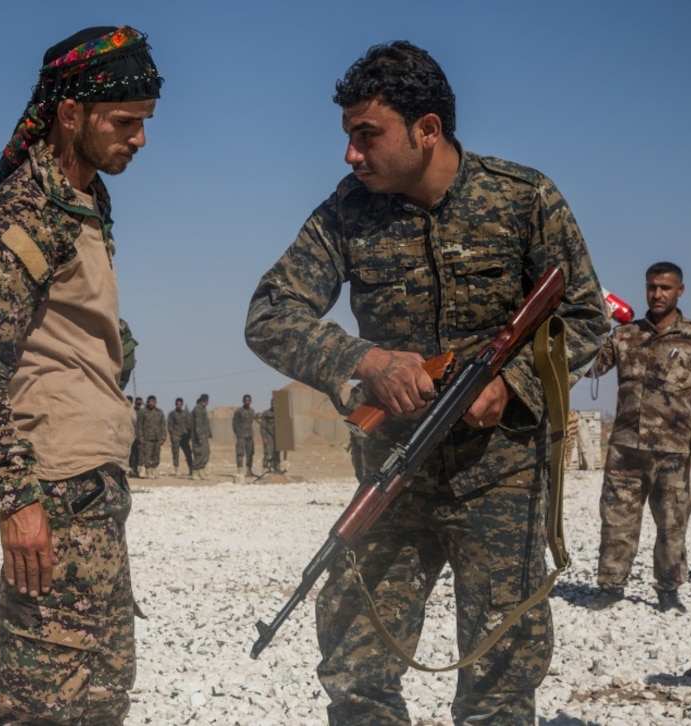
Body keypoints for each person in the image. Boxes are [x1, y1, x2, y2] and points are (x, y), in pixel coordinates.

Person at [244, 41, 607, 725]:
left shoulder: (523, 199)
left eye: (367, 135)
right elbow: (269, 315)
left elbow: (585, 316)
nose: (351, 154)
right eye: (348, 135)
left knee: (500, 680)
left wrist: (514, 387)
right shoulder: (348, 213)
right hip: (393, 475)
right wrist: (365, 361)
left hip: (498, 479)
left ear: (428, 130)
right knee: (355, 666)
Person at [0, 25, 162, 724]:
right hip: (51, 489)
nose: (139, 138)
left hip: (97, 485)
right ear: (71, 114)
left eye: (144, 123)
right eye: (125, 122)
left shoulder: (87, 201)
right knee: (37, 704)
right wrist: (16, 497)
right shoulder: (23, 211)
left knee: (102, 696)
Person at [587, 262, 691, 614]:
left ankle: (668, 589)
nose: (657, 294)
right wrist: (594, 321)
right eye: (652, 287)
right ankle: (610, 587)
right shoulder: (624, 335)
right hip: (624, 449)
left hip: (672, 450)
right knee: (617, 520)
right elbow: (589, 367)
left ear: (680, 290)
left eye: (665, 288)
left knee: (672, 522)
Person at [135, 395, 166, 479]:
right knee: (147, 455)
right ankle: (148, 471)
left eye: (153, 402)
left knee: (156, 455)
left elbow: (163, 425)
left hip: (157, 438)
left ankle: (154, 470)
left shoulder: (160, 412)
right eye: (150, 402)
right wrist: (140, 437)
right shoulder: (143, 412)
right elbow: (139, 426)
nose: (151, 403)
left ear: (156, 402)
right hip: (147, 438)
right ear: (147, 402)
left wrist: (163, 437)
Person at [167, 397, 193, 477]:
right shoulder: (172, 414)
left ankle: (191, 469)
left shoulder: (186, 414)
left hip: (184, 437)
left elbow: (189, 424)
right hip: (176, 436)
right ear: (175, 404)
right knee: (175, 453)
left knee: (188, 453)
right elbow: (170, 425)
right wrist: (172, 435)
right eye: (177, 404)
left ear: (182, 404)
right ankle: (177, 469)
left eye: (180, 404)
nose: (178, 405)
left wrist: (189, 435)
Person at [232, 394, 256, 478]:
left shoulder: (252, 411)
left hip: (249, 436)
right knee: (240, 453)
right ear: (243, 401)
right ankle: (240, 470)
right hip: (241, 435)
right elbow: (234, 423)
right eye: (246, 400)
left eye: (249, 400)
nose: (247, 402)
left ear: (251, 401)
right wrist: (238, 433)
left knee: (250, 453)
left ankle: (249, 470)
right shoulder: (239, 411)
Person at [190, 393, 211, 480]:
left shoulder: (203, 409)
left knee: (206, 453)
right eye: (204, 400)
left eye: (206, 400)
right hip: (198, 436)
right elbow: (198, 424)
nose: (205, 402)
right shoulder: (198, 409)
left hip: (204, 435)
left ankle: (201, 471)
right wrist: (200, 437)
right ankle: (195, 472)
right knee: (198, 454)